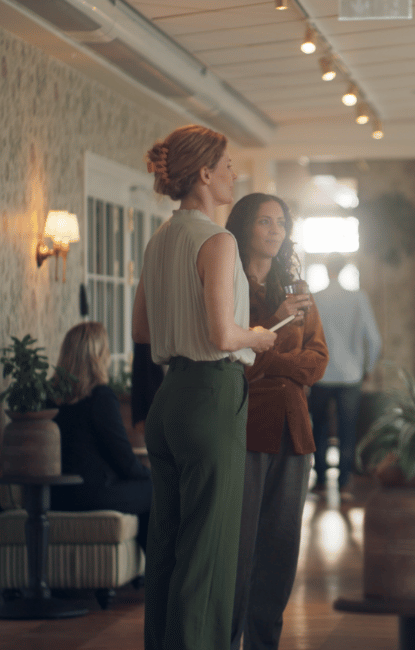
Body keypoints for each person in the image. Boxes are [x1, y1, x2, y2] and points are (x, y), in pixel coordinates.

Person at [133, 125, 276, 650]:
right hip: (211, 394)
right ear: (205, 174)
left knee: (167, 545)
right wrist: (257, 336)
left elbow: (141, 331)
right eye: (229, 165)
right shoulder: (217, 240)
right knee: (208, 552)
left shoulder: (159, 239)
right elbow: (222, 335)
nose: (235, 173)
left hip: (168, 399)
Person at [225, 193, 329, 650]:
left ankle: (265, 643)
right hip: (245, 428)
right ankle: (227, 640)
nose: (274, 231)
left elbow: (319, 361)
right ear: (244, 227)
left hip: (296, 431)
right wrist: (277, 328)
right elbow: (235, 362)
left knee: (281, 551)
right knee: (240, 551)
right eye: (264, 222)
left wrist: (278, 361)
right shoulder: (226, 286)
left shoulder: (298, 288)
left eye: (281, 223)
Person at [50, 322, 152, 550]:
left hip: (56, 496)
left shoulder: (51, 397)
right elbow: (124, 461)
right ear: (97, 356)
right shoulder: (101, 398)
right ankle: (157, 576)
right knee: (157, 489)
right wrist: (148, 474)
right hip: (91, 496)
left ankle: (149, 576)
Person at [308, 254, 382, 491]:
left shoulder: (315, 298)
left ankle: (319, 479)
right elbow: (374, 339)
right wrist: (368, 368)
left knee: (317, 427)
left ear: (326, 268)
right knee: (347, 429)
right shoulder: (358, 298)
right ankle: (343, 481)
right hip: (350, 375)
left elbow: (305, 338)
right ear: (344, 269)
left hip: (319, 374)